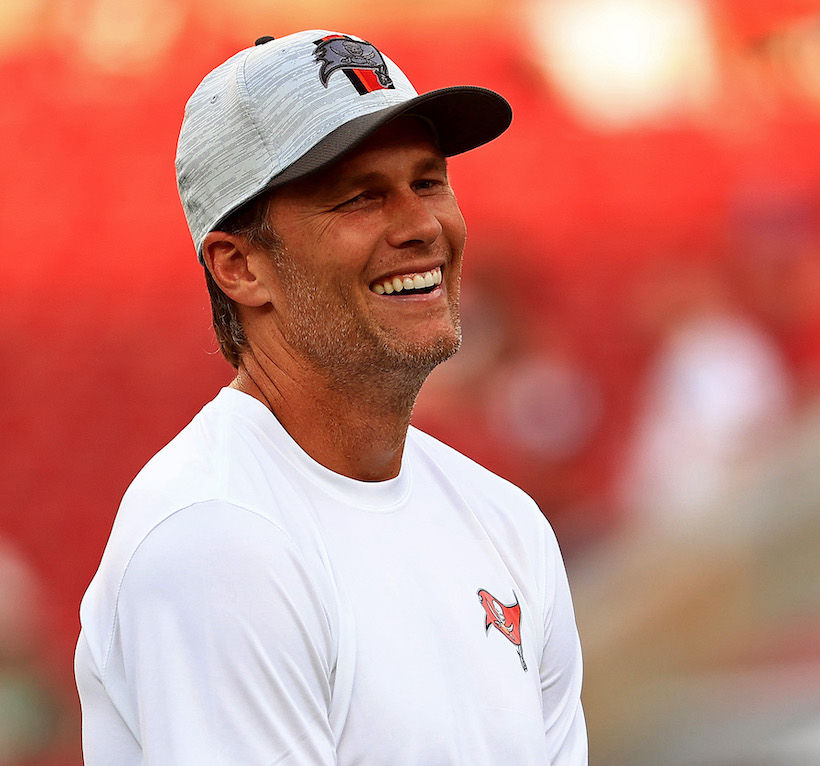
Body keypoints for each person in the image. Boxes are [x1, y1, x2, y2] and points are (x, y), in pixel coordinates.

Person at [74, 29, 587, 765]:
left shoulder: (506, 524)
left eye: (429, 181)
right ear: (240, 266)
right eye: (360, 198)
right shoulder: (216, 540)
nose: (421, 226)